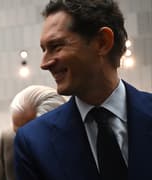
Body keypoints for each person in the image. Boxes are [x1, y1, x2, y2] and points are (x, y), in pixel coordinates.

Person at [14, 0, 152, 180]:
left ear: (102, 42)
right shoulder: (34, 143)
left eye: (56, 47)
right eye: (44, 50)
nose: (44, 64)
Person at [0, 85, 66, 180]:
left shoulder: (78, 141)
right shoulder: (8, 138)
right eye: (16, 133)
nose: (20, 141)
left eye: (26, 136)